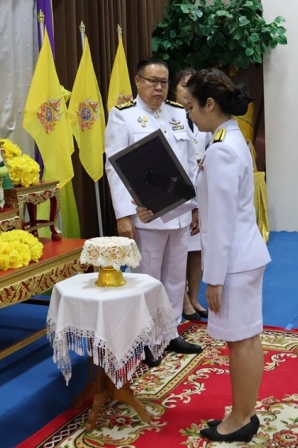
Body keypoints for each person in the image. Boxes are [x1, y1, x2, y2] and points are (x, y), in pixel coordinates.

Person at [185, 68, 271, 443]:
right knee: (248, 338)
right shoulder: (231, 137)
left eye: (191, 106)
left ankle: (240, 418)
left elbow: (221, 223)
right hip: (245, 254)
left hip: (234, 260)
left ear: (209, 104)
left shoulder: (221, 149)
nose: (189, 114)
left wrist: (213, 279)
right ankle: (245, 411)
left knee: (241, 341)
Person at [104, 57, 202, 366]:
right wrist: (123, 215)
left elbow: (190, 163)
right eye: (152, 81)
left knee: (175, 277)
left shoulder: (177, 113)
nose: (158, 88)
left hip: (180, 212)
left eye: (163, 82)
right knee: (147, 278)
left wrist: (195, 206)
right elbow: (115, 168)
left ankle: (170, 332)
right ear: (138, 81)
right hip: (146, 215)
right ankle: (146, 338)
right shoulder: (123, 116)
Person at [170, 68, 209, 322]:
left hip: (201, 190)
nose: (187, 91)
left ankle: (194, 297)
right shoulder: (169, 116)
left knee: (196, 249)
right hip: (178, 192)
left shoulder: (203, 116)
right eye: (184, 85)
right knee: (179, 250)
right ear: (174, 89)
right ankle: (182, 300)